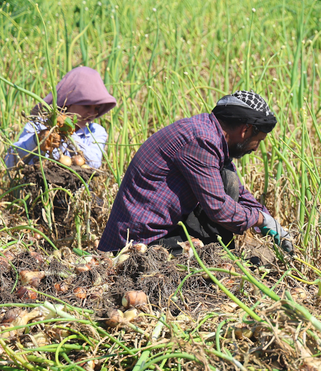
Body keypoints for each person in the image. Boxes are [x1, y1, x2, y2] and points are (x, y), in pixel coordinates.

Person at [97, 90, 293, 256]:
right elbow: (219, 208)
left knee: (228, 179)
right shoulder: (201, 140)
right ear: (245, 130)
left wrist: (271, 223)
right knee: (213, 252)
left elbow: (239, 193)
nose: (256, 148)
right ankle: (216, 254)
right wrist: (259, 219)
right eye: (258, 140)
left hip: (160, 228)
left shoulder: (210, 133)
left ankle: (217, 251)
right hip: (137, 243)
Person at [4, 66, 117, 169]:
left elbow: (94, 163)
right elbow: (9, 161)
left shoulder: (95, 131)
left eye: (97, 108)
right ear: (69, 102)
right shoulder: (39, 125)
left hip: (78, 191)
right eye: (86, 106)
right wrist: (36, 140)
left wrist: (68, 131)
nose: (92, 113)